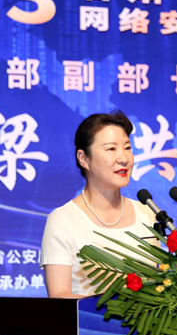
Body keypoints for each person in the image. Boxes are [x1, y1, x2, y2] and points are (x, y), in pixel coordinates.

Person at [40, 110, 157, 298]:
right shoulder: (62, 220)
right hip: (87, 319)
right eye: (111, 149)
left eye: (127, 148)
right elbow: (59, 296)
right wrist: (118, 307)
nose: (123, 158)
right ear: (84, 159)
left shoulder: (147, 214)